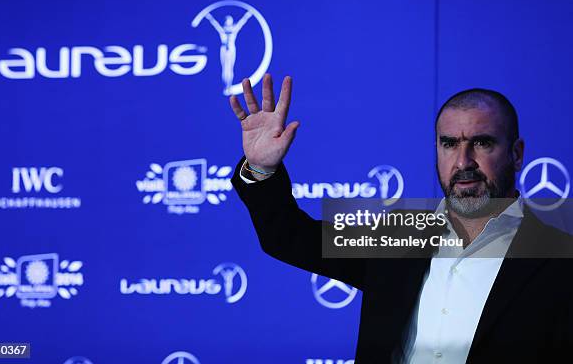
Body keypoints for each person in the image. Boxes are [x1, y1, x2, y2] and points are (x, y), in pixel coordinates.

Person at [229, 74, 573, 363]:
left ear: (516, 154)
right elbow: (289, 237)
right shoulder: (399, 237)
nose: (463, 161)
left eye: (482, 143)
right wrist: (262, 168)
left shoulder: (558, 258)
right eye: (449, 144)